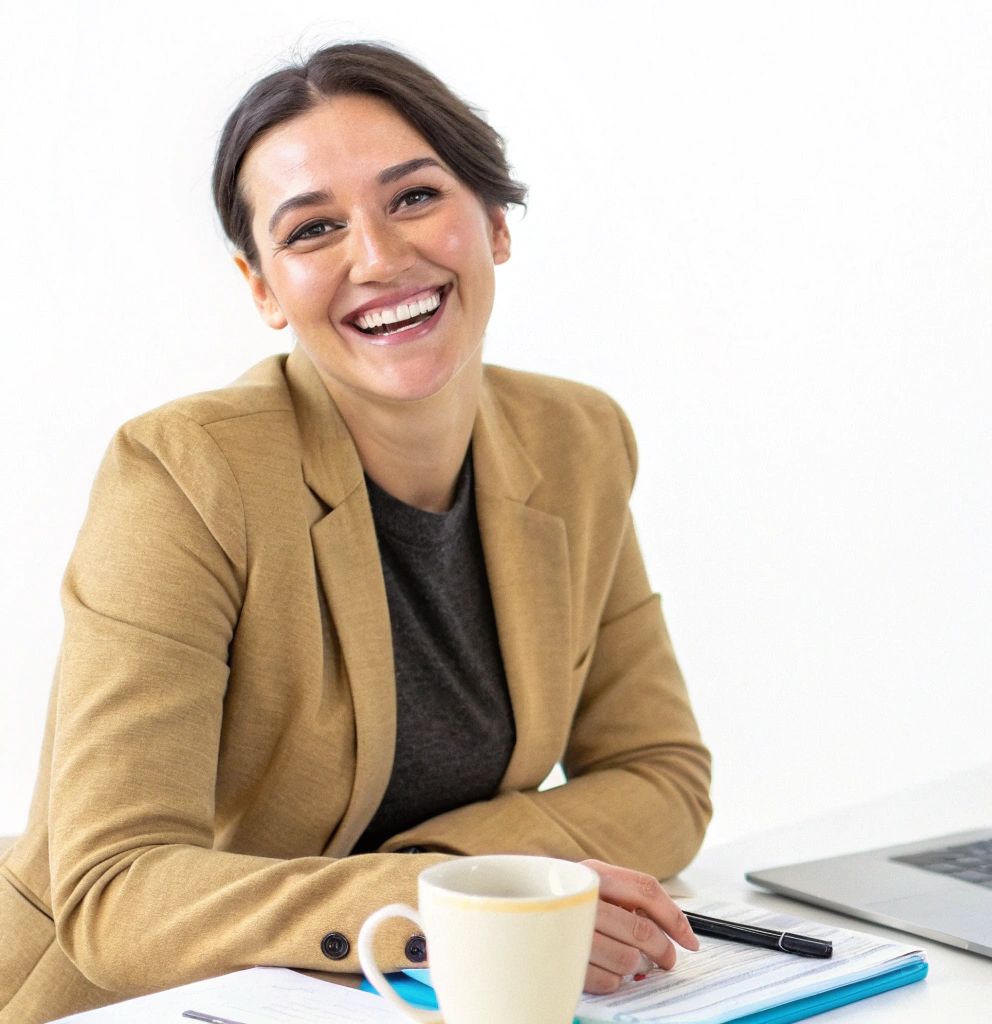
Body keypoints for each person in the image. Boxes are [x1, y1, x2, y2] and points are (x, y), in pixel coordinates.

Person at [0, 41, 711, 1022]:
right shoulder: (183, 473)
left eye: (415, 198)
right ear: (262, 289)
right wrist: (453, 903)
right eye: (313, 229)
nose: (378, 258)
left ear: (494, 221)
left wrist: (445, 878)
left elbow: (662, 776)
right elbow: (116, 893)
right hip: (124, 1000)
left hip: (395, 993)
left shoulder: (577, 439)